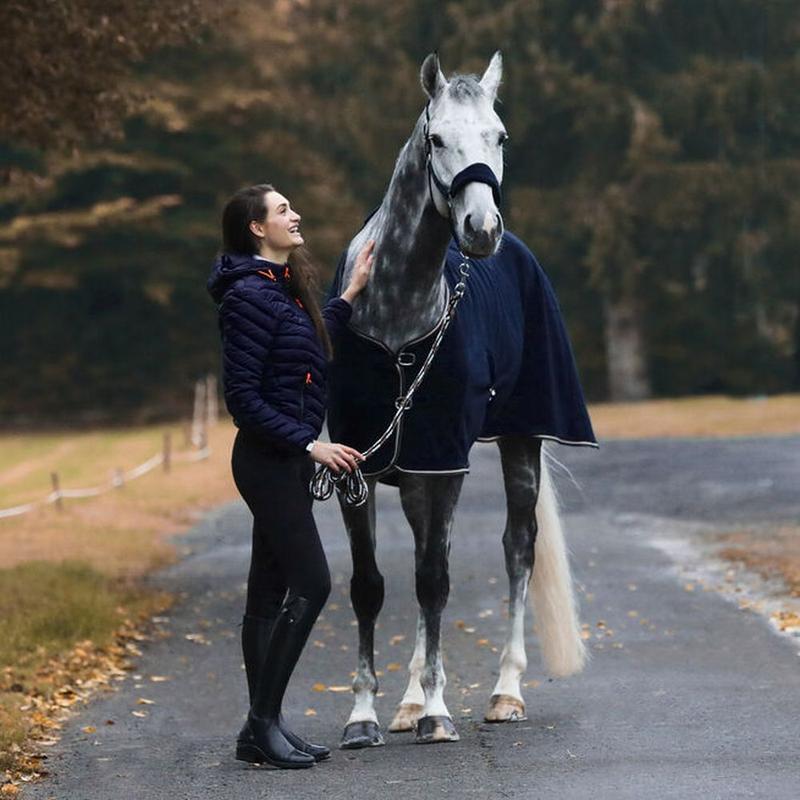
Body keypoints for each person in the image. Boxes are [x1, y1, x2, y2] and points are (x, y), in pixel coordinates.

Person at [207, 184, 374, 769]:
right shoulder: (248, 296)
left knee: (268, 591)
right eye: (282, 210)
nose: (295, 215)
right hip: (269, 462)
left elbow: (306, 343)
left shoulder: (280, 289)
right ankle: (260, 724)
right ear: (257, 228)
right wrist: (312, 445)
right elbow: (242, 399)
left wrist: (349, 294)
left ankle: (265, 725)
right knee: (314, 581)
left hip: (287, 462)